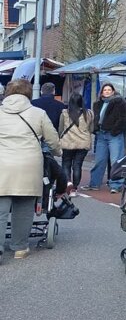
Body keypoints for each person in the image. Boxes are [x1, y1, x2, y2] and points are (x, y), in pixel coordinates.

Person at [1, 79, 60, 261]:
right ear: (28, 93)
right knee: (24, 208)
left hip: (2, 164)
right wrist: (57, 151)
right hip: (29, 165)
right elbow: (52, 140)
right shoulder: (38, 113)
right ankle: (20, 247)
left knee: (1, 208)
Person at [87, 79, 126, 193]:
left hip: (113, 134)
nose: (107, 91)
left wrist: (115, 130)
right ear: (101, 92)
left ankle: (116, 185)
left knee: (115, 160)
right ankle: (94, 183)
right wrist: (95, 129)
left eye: (109, 90)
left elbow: (124, 118)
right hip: (101, 134)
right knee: (99, 160)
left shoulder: (119, 102)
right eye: (105, 90)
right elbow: (96, 118)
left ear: (113, 91)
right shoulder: (98, 104)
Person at [58, 93, 94, 193]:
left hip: (68, 142)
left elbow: (61, 129)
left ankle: (68, 183)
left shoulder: (65, 113)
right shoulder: (89, 113)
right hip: (83, 143)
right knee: (78, 165)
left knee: (66, 163)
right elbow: (91, 129)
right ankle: (75, 187)